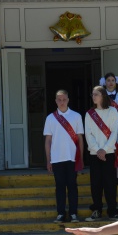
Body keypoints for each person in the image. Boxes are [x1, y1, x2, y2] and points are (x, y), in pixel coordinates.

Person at [44, 89, 84, 223]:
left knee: (72, 185)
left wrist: (81, 158)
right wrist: (48, 160)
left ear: (68, 100)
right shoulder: (50, 118)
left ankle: (73, 214)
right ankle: (60, 213)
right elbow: (48, 140)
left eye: (64, 99)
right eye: (59, 100)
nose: (62, 102)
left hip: (72, 157)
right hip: (56, 158)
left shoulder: (76, 116)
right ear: (55, 101)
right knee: (59, 186)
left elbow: (80, 138)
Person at [85, 85, 118, 221]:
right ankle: (97, 210)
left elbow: (114, 132)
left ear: (103, 96)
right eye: (92, 94)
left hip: (108, 153)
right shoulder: (89, 114)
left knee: (110, 183)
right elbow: (88, 134)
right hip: (95, 154)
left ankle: (112, 211)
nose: (93, 97)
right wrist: (97, 150)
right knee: (96, 183)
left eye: (96, 94)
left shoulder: (112, 111)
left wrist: (104, 149)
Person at [101, 73, 118, 184]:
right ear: (105, 82)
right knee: (106, 150)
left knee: (117, 151)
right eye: (108, 80)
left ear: (116, 82)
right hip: (105, 125)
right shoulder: (101, 95)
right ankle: (107, 175)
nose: (111, 83)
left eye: (113, 80)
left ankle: (117, 176)